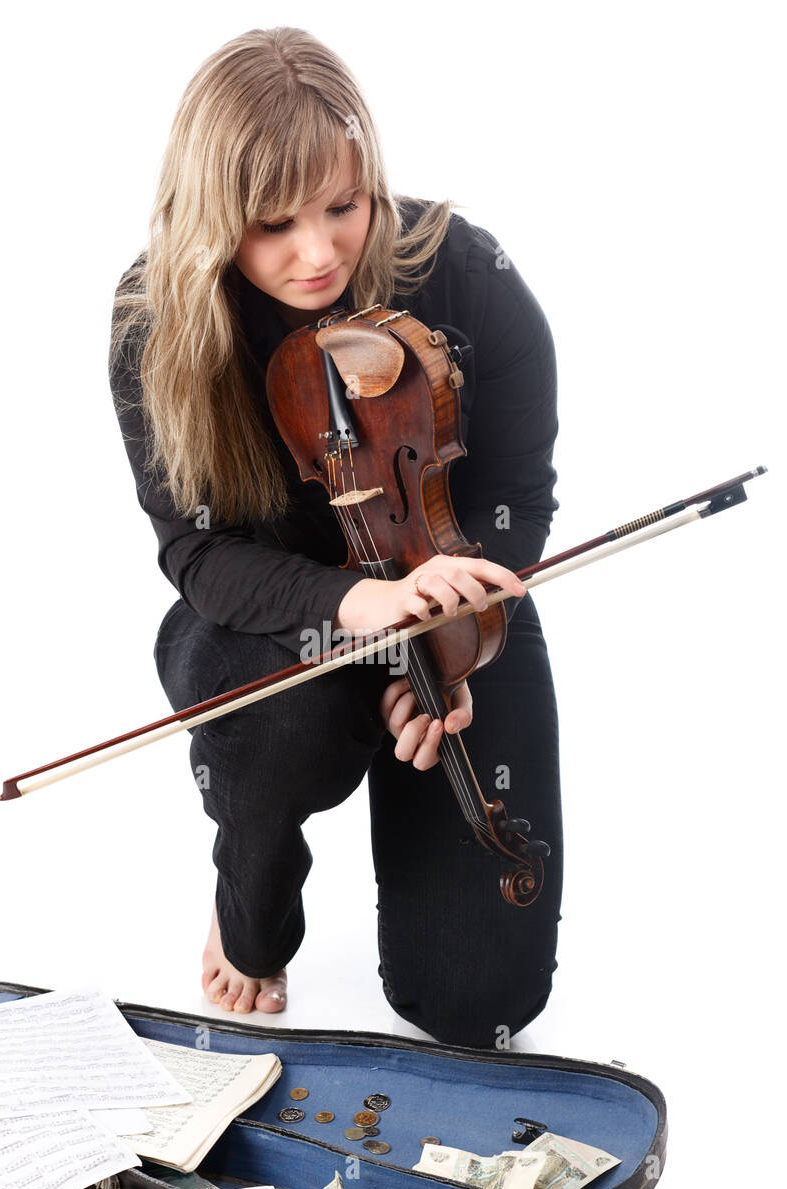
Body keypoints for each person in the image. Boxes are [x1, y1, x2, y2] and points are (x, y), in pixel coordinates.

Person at [108, 26, 563, 1049]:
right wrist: (351, 611)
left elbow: (514, 495)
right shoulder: (156, 322)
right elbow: (196, 550)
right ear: (210, 215)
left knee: (472, 1002)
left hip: (454, 597)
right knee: (287, 722)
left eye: (342, 208)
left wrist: (448, 642)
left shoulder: (466, 274)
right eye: (271, 224)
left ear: (372, 182)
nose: (316, 254)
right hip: (276, 625)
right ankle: (250, 892)